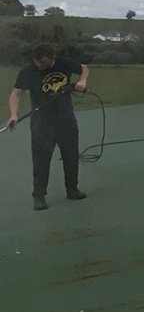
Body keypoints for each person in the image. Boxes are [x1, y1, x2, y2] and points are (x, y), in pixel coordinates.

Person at [7, 44, 89, 210]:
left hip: (66, 118)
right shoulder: (28, 71)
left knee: (71, 156)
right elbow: (16, 93)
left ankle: (72, 189)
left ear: (53, 58)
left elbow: (83, 68)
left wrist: (82, 80)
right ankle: (39, 196)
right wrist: (14, 114)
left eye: (43, 63)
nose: (40, 66)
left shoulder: (64, 63)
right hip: (41, 122)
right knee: (41, 160)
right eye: (37, 63)